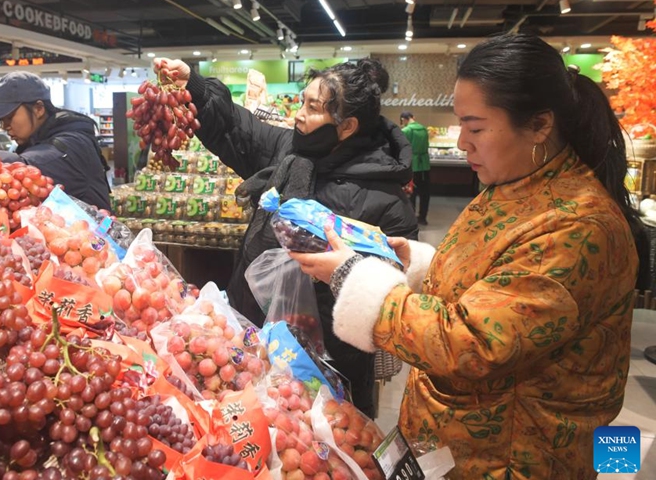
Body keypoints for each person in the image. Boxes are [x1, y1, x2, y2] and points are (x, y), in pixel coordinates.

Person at [290, 33, 643, 479]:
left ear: (539, 125)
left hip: (511, 460)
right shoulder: (513, 186)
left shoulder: (578, 226)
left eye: (475, 128)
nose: (461, 142)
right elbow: (492, 284)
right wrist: (412, 266)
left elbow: (473, 342)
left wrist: (355, 279)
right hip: (456, 451)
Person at [154, 57, 418, 418]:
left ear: (348, 125)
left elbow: (394, 300)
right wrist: (194, 86)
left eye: (312, 107)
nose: (298, 114)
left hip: (325, 365)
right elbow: (237, 127)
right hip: (254, 337)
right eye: (302, 101)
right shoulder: (291, 153)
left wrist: (344, 273)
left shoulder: (387, 201)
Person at [0, 72, 112, 211]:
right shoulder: (35, 141)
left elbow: (26, 166)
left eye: (9, 117)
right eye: (1, 120)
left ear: (39, 109)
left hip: (94, 231)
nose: (5, 126)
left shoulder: (72, 143)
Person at [400, 111, 431, 225]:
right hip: (425, 165)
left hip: (413, 165)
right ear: (413, 117)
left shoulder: (406, 130)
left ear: (403, 119)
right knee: (425, 193)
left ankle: (411, 218)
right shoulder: (423, 129)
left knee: (410, 192)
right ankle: (423, 217)